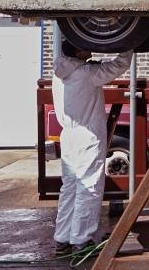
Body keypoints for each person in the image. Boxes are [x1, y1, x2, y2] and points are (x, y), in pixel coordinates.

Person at [52, 39, 133, 256]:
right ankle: (82, 240)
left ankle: (62, 238)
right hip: (87, 136)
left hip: (68, 135)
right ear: (79, 52)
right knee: (89, 187)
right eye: (86, 45)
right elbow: (119, 65)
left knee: (69, 188)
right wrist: (130, 43)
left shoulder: (59, 74)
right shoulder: (87, 73)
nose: (91, 47)